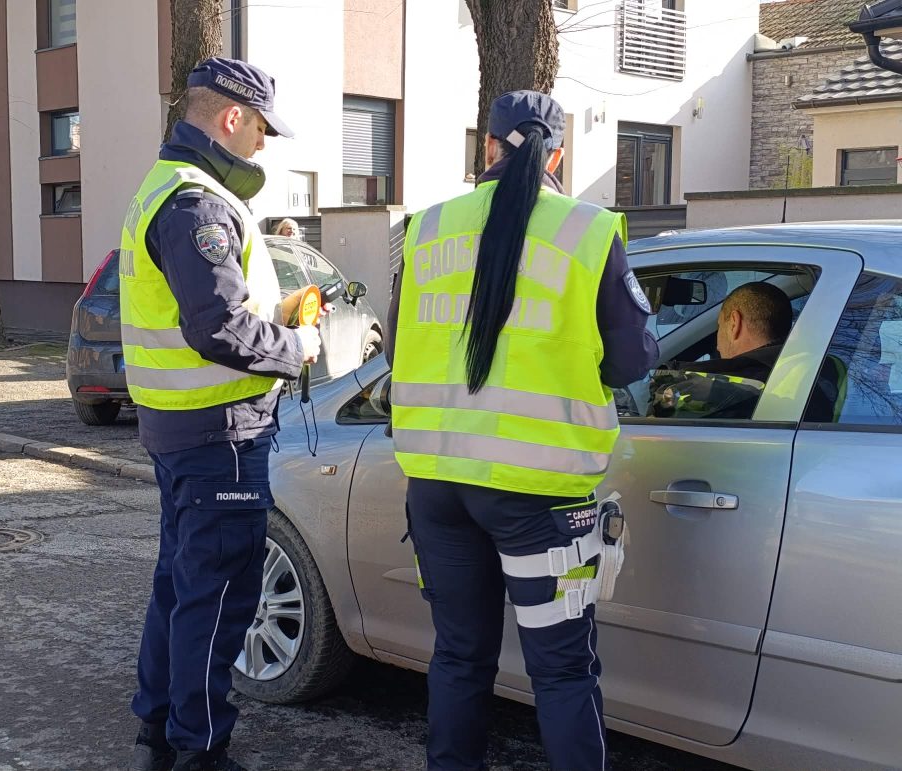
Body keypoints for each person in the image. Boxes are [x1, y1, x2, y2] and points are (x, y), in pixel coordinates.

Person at [385, 91, 659, 771]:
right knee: (561, 672)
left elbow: (396, 345)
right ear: (556, 154)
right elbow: (632, 358)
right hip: (540, 494)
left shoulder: (427, 227)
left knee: (457, 656)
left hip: (438, 486)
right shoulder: (586, 230)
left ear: (488, 147)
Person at [119, 58, 321, 771]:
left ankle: (158, 738)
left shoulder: (163, 187)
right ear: (231, 117)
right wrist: (299, 344)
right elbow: (221, 329)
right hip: (220, 436)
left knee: (180, 585)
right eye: (261, 128)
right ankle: (200, 749)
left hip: (181, 430)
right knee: (220, 597)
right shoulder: (198, 202)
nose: (263, 144)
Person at [650, 282, 792, 419]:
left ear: (734, 324)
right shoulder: (794, 371)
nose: (717, 347)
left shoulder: (726, 386)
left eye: (719, 327)